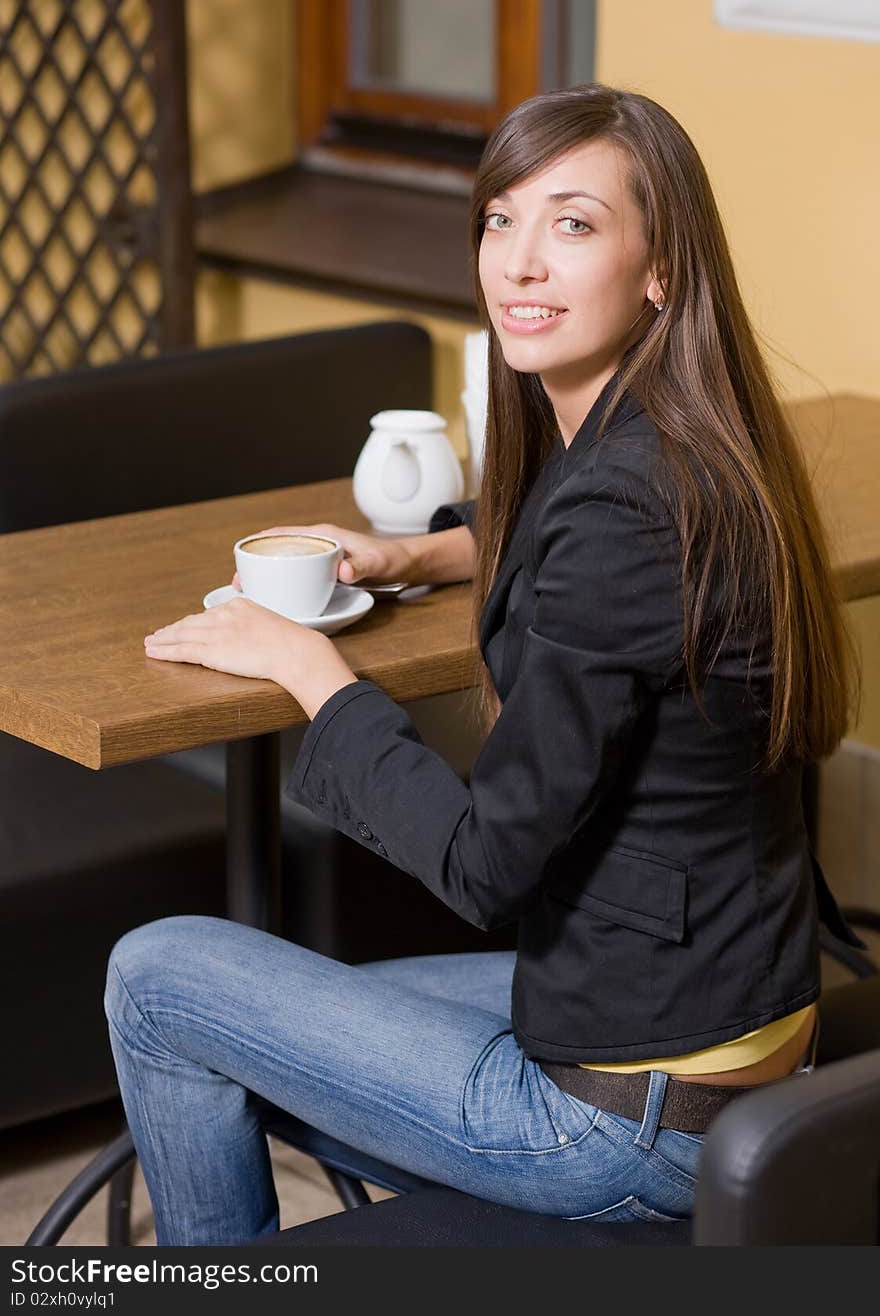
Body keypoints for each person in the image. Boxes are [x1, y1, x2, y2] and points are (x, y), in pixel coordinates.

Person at [104, 83, 862, 1245]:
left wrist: (317, 676)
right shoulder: (690, 442)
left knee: (160, 978)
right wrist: (421, 547)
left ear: (661, 267)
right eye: (497, 221)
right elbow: (579, 532)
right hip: (728, 1015)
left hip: (628, 1115)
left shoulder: (621, 511)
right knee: (284, 1012)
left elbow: (484, 869)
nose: (517, 263)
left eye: (571, 224)